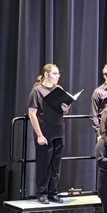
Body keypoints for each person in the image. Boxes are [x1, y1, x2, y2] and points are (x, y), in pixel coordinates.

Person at [28, 63, 71, 204]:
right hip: (45, 132)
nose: (58, 76)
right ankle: (42, 193)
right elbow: (32, 113)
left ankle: (53, 192)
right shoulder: (37, 91)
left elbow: (63, 111)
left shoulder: (59, 89)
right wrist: (39, 134)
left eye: (58, 74)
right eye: (55, 73)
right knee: (44, 164)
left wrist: (65, 108)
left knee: (56, 165)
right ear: (46, 75)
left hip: (59, 131)